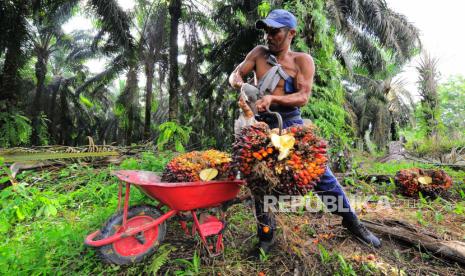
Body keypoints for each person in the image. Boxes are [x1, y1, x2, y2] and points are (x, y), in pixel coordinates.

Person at [228, 9, 381, 256]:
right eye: (266, 31)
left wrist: (273, 97)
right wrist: (240, 83)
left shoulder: (302, 61)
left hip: (290, 123)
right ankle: (265, 236)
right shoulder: (258, 54)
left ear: (291, 33)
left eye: (274, 31)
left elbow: (303, 97)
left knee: (320, 174)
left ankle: (352, 222)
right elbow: (235, 74)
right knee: (259, 178)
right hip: (260, 125)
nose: (269, 36)